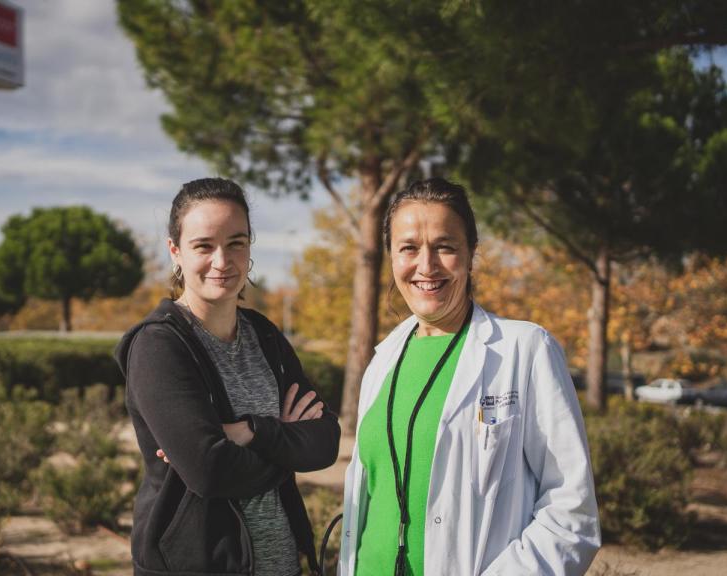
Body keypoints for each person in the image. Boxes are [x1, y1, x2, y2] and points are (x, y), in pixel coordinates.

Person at [338, 178, 600, 576]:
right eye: (408, 248)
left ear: (471, 254)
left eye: (445, 247)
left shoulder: (524, 349)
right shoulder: (383, 361)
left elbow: (571, 511)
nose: (426, 266)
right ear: (391, 256)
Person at [114, 178, 341, 576]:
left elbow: (324, 443)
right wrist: (285, 449)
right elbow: (209, 471)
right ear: (176, 251)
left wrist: (251, 432)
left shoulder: (265, 336)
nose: (223, 260)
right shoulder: (158, 347)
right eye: (204, 245)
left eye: (236, 242)